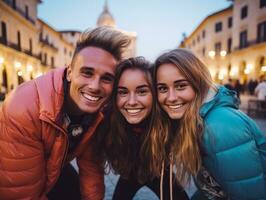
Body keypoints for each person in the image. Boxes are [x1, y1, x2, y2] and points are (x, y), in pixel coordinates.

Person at [0, 26, 130, 200]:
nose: (94, 86)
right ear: (69, 72)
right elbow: (21, 194)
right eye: (87, 72)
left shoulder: (98, 112)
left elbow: (91, 167)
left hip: (54, 165)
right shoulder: (23, 107)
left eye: (106, 78)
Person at [153, 48, 266, 200]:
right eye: (162, 88)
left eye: (181, 86)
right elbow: (215, 187)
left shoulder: (219, 126)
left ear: (198, 84)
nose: (171, 97)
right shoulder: (192, 119)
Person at [104, 57, 189, 200]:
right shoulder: (107, 119)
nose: (131, 102)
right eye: (123, 92)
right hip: (130, 172)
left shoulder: (170, 116)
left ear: (155, 94)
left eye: (142, 92)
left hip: (159, 170)